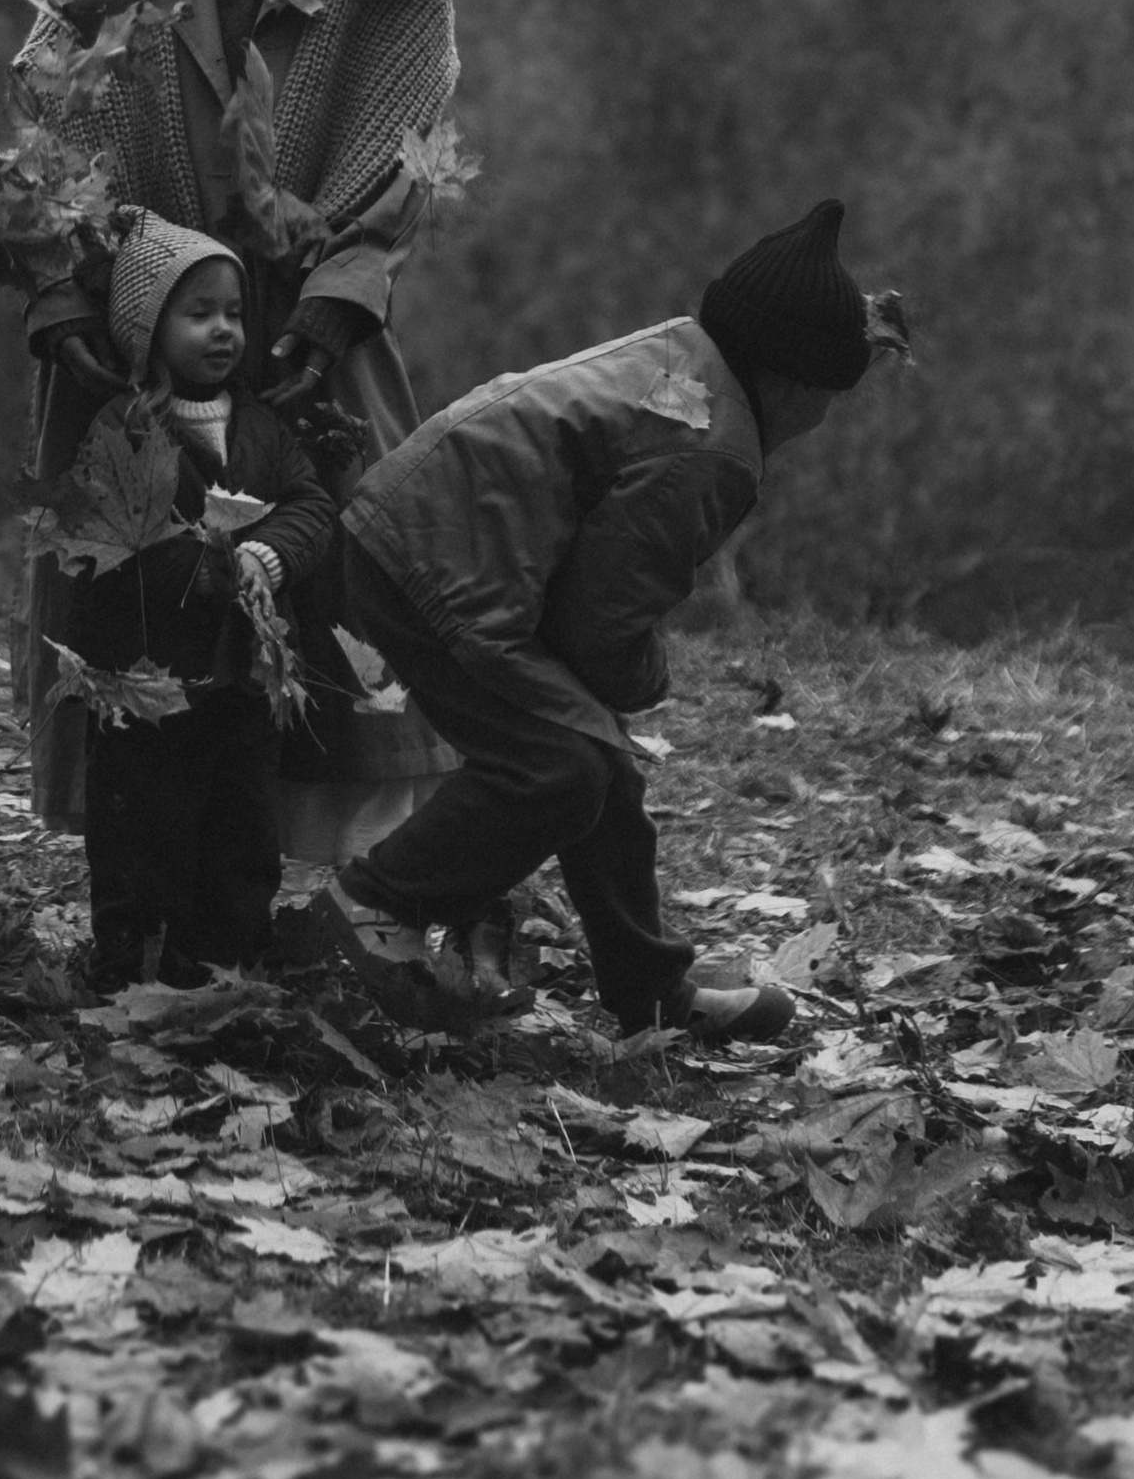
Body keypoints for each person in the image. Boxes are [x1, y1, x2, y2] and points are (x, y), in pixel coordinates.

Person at [16, 0, 461, 834]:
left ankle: (326, 868)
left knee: (341, 557)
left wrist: (340, 287)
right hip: (140, 297)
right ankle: (148, 858)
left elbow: (410, 107)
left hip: (307, 298)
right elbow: (54, 81)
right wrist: (67, 281)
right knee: (134, 573)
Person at [308, 200, 910, 1042]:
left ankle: (647, 989)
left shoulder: (684, 356)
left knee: (601, 762)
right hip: (436, 563)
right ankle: (373, 902)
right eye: (832, 397)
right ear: (794, 381)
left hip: (429, 536)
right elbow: (599, 621)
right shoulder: (713, 449)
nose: (825, 417)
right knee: (564, 766)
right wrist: (643, 676)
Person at [56, 216, 338, 987]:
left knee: (243, 824)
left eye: (235, 314)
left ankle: (225, 960)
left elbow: (312, 505)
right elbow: (118, 544)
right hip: (147, 685)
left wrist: (265, 555)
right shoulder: (124, 428)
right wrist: (210, 567)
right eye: (200, 313)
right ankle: (133, 962)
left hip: (244, 682)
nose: (223, 331)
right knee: (143, 824)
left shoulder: (262, 426)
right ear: (149, 330)